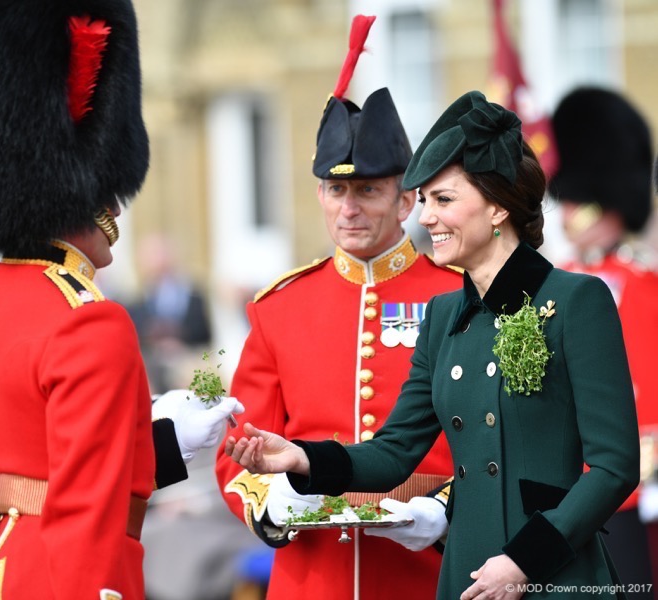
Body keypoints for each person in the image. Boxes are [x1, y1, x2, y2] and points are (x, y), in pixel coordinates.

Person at [226, 90, 641, 600]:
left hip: (551, 572)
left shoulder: (577, 299)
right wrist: (301, 458)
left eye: (443, 200)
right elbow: (395, 452)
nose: (424, 218)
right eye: (423, 201)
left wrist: (523, 562)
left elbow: (614, 467)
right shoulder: (444, 315)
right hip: (464, 574)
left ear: (495, 207)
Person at [0, 1, 242, 598]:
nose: (117, 206)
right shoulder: (89, 320)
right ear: (83, 187)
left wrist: (161, 441)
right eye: (108, 189)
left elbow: (37, 459)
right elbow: (86, 513)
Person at [213, 14, 463, 600]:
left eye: (368, 191)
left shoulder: (455, 297)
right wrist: (277, 501)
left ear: (406, 200)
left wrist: (445, 512)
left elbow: (494, 442)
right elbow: (241, 450)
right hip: (313, 578)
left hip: (426, 575)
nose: (348, 209)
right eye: (336, 190)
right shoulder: (280, 307)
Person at [548, 86, 658, 598]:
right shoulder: (554, 281)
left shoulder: (642, 285)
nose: (568, 210)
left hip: (625, 488)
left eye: (578, 200)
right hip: (558, 486)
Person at [127, 233, 213, 394]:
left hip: (187, 362)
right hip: (153, 366)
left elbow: (205, 334)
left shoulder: (192, 295)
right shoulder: (137, 300)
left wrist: (178, 339)